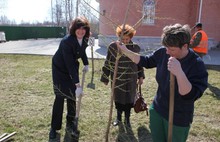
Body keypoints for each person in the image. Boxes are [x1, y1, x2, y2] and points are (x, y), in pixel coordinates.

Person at [116, 23, 208, 142]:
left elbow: (190, 95)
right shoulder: (163, 52)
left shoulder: (196, 64)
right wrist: (125, 51)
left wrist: (179, 73)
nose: (168, 52)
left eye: (172, 49)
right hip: (158, 110)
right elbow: (146, 61)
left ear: (185, 46)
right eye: (166, 48)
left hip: (178, 117)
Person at [49, 16, 90, 139]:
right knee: (60, 96)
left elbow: (82, 51)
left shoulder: (84, 39)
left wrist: (86, 63)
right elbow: (70, 64)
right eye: (78, 28)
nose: (81, 31)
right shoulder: (66, 42)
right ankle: (54, 127)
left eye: (84, 29)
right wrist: (77, 84)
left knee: (72, 96)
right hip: (60, 69)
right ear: (74, 29)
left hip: (71, 69)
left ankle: (71, 122)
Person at [100, 24, 145, 128]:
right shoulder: (113, 47)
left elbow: (139, 63)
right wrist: (105, 77)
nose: (125, 41)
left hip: (131, 78)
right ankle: (118, 118)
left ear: (131, 37)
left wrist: (141, 76)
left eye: (127, 39)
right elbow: (108, 63)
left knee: (129, 98)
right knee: (118, 98)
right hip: (117, 78)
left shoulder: (135, 48)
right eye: (122, 39)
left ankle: (127, 120)